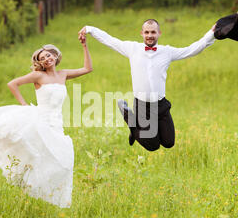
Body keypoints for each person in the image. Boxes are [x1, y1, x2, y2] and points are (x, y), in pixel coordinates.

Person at [78, 19, 216, 151]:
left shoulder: (167, 52)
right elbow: (110, 40)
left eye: (153, 32)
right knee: (153, 146)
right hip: (143, 107)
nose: (150, 36)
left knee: (169, 143)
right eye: (147, 32)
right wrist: (90, 29)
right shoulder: (132, 48)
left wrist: (212, 33)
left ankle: (134, 128)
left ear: (159, 33)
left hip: (161, 105)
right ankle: (130, 119)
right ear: (141, 33)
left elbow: (192, 49)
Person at [0, 39, 93, 208]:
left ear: (55, 56)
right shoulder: (38, 76)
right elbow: (13, 84)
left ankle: (54, 199)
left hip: (57, 123)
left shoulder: (63, 74)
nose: (47, 59)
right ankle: (31, 195)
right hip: (41, 120)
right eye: (42, 58)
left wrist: (84, 45)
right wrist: (24, 106)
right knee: (39, 159)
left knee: (64, 161)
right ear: (40, 63)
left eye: (48, 55)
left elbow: (88, 69)